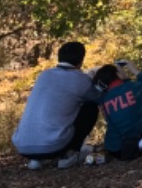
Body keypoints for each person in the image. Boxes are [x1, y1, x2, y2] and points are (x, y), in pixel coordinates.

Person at [12, 41, 101, 170]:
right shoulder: (81, 79)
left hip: (23, 147)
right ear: (81, 60)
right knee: (90, 108)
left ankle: (36, 160)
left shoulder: (44, 75)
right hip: (53, 146)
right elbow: (98, 97)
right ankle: (69, 154)